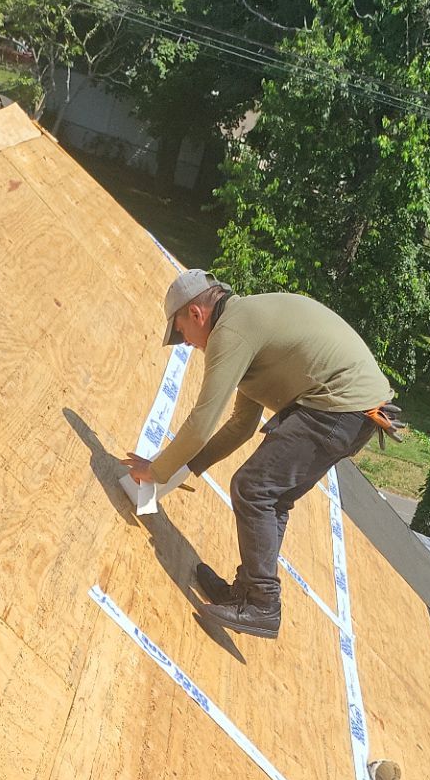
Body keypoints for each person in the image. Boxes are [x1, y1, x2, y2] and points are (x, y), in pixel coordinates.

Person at [122, 269, 399, 638]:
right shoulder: (246, 326)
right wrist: (186, 467)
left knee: (253, 488)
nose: (186, 343)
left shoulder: (231, 334)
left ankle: (264, 605)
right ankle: (247, 592)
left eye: (181, 333)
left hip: (341, 407)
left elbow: (202, 422)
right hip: (349, 410)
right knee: (273, 498)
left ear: (196, 314)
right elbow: (241, 425)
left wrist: (155, 471)